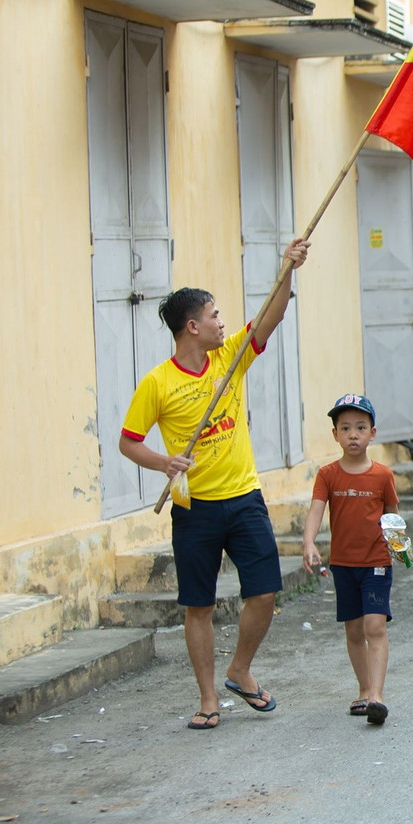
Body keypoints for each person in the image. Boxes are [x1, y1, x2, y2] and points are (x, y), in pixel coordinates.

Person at [118, 237, 311, 730]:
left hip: (244, 498)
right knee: (198, 605)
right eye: (215, 314)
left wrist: (287, 267)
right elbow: (128, 442)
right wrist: (165, 463)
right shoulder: (157, 383)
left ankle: (240, 669)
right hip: (195, 508)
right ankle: (208, 700)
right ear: (192, 327)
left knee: (265, 591)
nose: (223, 322)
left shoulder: (231, 359)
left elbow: (273, 314)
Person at [300, 394, 400, 725]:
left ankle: (377, 695)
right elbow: (316, 509)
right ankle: (364, 689)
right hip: (343, 564)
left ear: (373, 433)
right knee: (354, 630)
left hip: (376, 561)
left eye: (360, 427)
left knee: (374, 626)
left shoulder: (383, 475)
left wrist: (399, 546)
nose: (353, 434)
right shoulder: (327, 475)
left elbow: (392, 515)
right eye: (345, 428)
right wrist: (309, 542)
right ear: (335, 435)